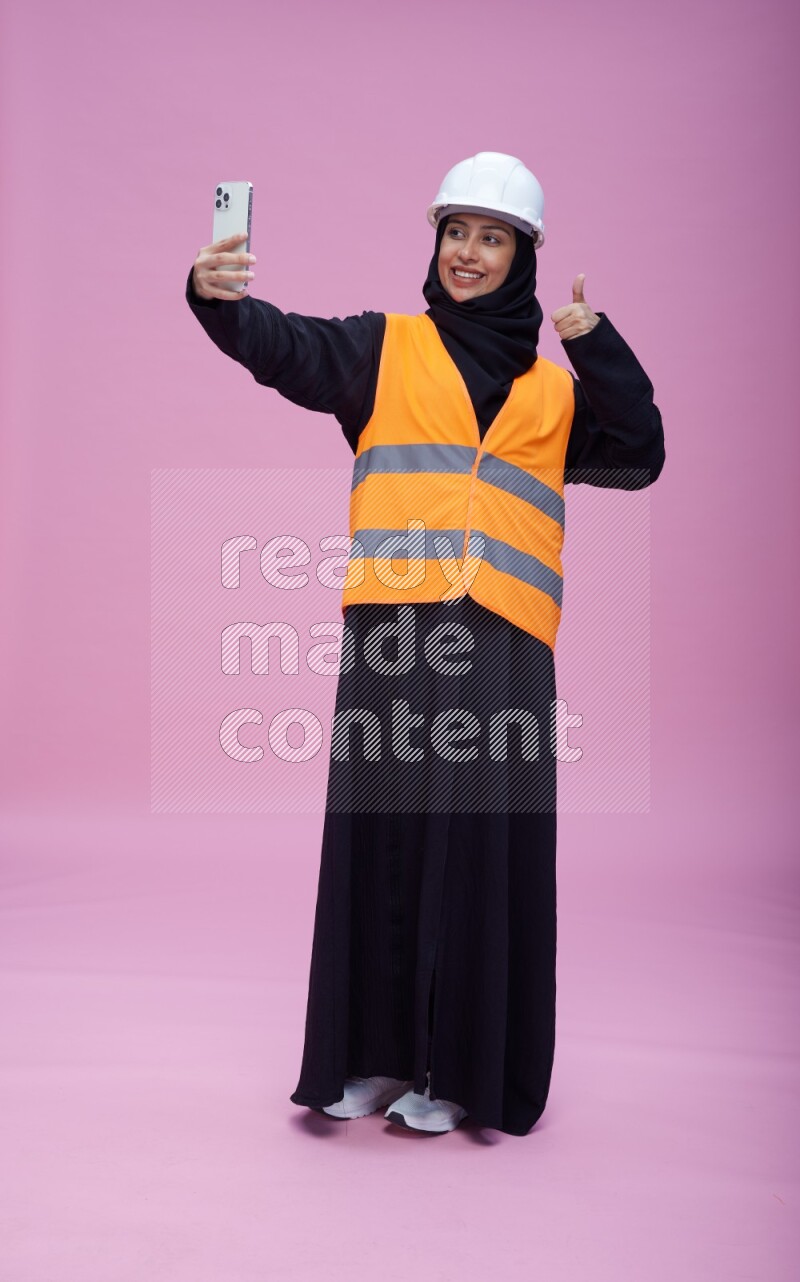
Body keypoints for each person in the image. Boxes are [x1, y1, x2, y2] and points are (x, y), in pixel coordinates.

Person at [186, 152, 665, 1137]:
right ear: (435, 241)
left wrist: (591, 338)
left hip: (504, 642)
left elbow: (640, 451)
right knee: (385, 840)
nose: (467, 253)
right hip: (396, 633)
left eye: (490, 237)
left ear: (520, 256)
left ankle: (456, 1076)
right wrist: (218, 300)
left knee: (483, 851)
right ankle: (368, 1061)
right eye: (455, 232)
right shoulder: (382, 349)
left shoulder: (551, 392)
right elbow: (284, 344)